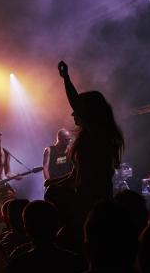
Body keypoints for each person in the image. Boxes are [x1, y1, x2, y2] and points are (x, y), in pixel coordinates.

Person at [44, 61, 124, 251]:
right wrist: (56, 182)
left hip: (93, 199)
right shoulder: (87, 137)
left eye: (78, 110)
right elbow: (76, 174)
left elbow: (75, 104)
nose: (73, 113)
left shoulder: (98, 133)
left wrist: (66, 79)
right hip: (84, 195)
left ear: (89, 112)